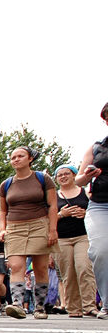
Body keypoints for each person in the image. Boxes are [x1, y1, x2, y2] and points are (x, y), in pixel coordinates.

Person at [0, 146, 60, 320]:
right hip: (15, 227)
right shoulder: (6, 184)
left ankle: (40, 306)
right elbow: (3, 211)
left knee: (40, 268)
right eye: (13, 157)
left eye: (20, 156)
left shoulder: (43, 179)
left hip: (39, 224)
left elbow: (53, 205)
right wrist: (3, 229)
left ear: (30, 158)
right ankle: (17, 305)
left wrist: (52, 229)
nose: (16, 160)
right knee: (16, 266)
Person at [75, 102, 108, 320]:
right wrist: (88, 174)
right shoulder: (97, 147)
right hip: (100, 204)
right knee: (101, 251)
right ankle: (107, 302)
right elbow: (78, 180)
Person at [53, 165, 97, 317]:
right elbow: (47, 219)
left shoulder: (85, 193)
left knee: (84, 268)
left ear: (74, 176)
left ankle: (89, 306)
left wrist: (86, 213)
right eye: (60, 175)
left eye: (66, 174)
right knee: (68, 273)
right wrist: (61, 214)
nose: (63, 177)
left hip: (83, 236)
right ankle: (73, 308)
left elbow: (97, 211)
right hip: (61, 239)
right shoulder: (53, 196)